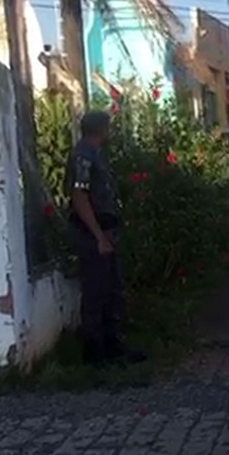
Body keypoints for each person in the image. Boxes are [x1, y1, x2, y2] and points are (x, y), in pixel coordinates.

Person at [66, 111, 145, 367]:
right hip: (92, 232)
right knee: (96, 291)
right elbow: (80, 196)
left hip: (106, 230)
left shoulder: (95, 153)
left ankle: (113, 347)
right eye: (108, 128)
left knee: (112, 290)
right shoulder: (83, 155)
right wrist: (98, 235)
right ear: (101, 129)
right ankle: (94, 353)